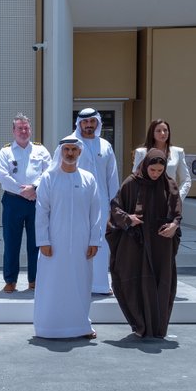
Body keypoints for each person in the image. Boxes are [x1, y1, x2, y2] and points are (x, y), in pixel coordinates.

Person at [107, 149, 182, 339]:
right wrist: (128, 219)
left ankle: (158, 328)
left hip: (161, 246)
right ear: (145, 165)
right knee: (133, 282)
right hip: (136, 245)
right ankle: (140, 324)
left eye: (159, 170)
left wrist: (174, 226)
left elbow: (177, 214)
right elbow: (115, 208)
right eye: (152, 170)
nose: (156, 174)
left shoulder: (169, 185)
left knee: (161, 283)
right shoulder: (131, 183)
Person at [34, 137, 103, 340]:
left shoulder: (88, 179)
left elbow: (95, 212)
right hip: (54, 243)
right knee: (52, 284)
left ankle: (80, 326)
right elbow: (41, 212)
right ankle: (48, 327)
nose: (70, 153)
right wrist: (43, 241)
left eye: (74, 149)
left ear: (79, 153)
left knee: (81, 282)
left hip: (82, 243)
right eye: (67, 149)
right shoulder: (49, 178)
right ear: (60, 152)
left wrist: (94, 240)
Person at [0, 113, 51, 293]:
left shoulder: (40, 150)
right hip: (13, 201)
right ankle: (10, 280)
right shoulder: (5, 151)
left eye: (26, 128)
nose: (24, 131)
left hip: (37, 200)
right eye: (20, 128)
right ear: (13, 131)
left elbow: (49, 173)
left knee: (36, 241)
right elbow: (4, 177)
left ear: (30, 130)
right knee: (12, 242)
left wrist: (34, 188)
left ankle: (34, 279)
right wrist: (24, 191)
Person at [68, 108, 119, 295]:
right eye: (85, 122)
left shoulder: (105, 145)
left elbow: (112, 178)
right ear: (79, 123)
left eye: (92, 122)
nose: (89, 125)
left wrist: (115, 206)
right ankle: (77, 284)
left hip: (102, 204)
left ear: (97, 123)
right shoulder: (70, 144)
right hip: (76, 203)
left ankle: (100, 285)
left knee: (100, 243)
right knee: (77, 242)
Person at [132, 118, 192, 199]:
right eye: (158, 131)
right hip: (147, 201)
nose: (163, 133)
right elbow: (135, 180)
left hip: (169, 201)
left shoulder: (178, 152)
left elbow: (186, 180)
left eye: (165, 130)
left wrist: (178, 198)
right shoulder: (141, 153)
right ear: (152, 133)